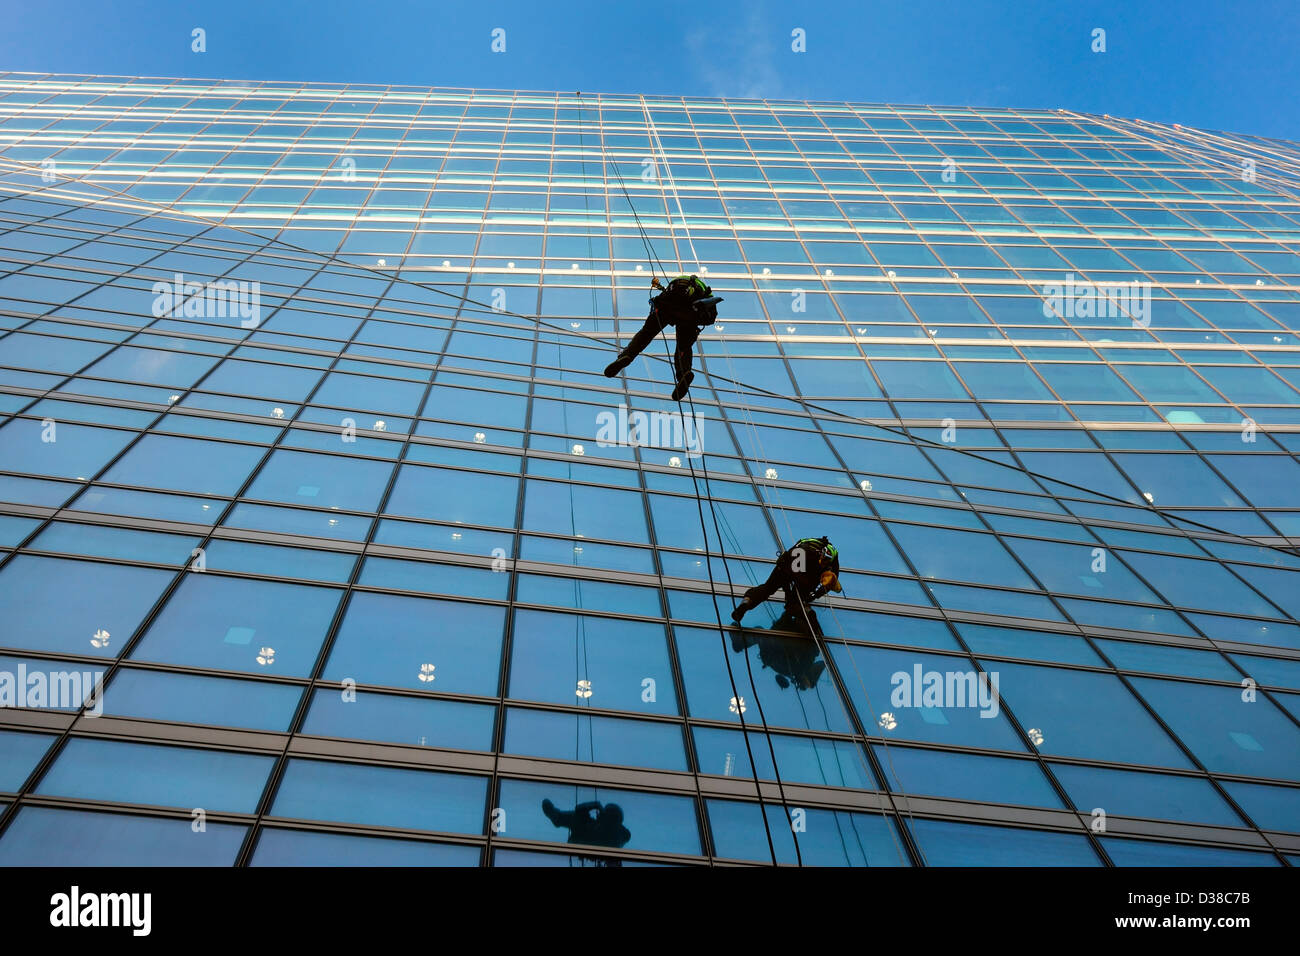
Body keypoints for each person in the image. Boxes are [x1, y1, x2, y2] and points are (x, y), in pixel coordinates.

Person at [604, 274, 721, 401]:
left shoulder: (677, 283)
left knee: (646, 333)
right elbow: (710, 316)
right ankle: (684, 373)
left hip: (667, 306)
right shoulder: (703, 289)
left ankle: (627, 355)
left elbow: (665, 295)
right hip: (690, 312)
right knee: (683, 346)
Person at [731, 536, 841, 626]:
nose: (823, 561)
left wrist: (819, 592)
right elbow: (797, 575)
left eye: (825, 561)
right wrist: (790, 591)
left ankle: (747, 601)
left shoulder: (815, 551)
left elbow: (831, 582)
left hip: (788, 566)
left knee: (768, 588)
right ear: (820, 552)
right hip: (794, 570)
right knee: (793, 603)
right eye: (822, 559)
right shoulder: (813, 553)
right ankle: (807, 613)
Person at [541, 798, 631, 858]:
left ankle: (558, 818)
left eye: (603, 813)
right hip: (582, 842)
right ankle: (557, 817)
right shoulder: (601, 826)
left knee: (579, 819)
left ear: (611, 817)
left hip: (584, 844)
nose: (598, 815)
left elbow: (579, 811)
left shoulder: (617, 833)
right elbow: (578, 809)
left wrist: (595, 805)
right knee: (580, 818)